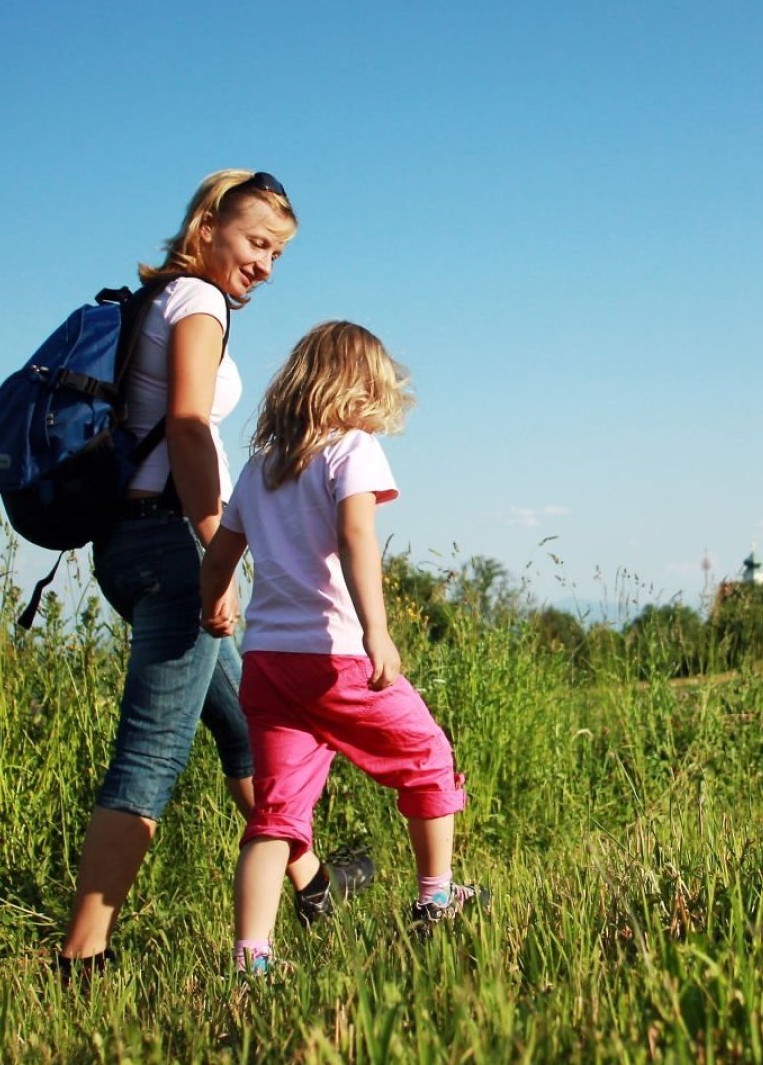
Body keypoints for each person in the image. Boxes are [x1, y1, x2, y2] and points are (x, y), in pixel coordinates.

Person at [58, 172, 371, 975]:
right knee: (152, 752)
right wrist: (214, 544)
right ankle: (80, 961)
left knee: (242, 728)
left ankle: (314, 887)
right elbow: (189, 423)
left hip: (127, 545)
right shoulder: (197, 302)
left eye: (278, 253)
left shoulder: (154, 302)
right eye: (257, 242)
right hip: (172, 545)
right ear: (209, 224)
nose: (266, 264)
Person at [199, 320, 486, 972]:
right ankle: (436, 899)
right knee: (427, 756)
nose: (380, 417)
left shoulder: (259, 467)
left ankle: (252, 959)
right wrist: (377, 633)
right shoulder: (350, 449)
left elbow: (220, 553)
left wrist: (214, 600)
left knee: (276, 815)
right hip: (336, 660)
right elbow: (358, 537)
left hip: (268, 667)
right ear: (354, 392)